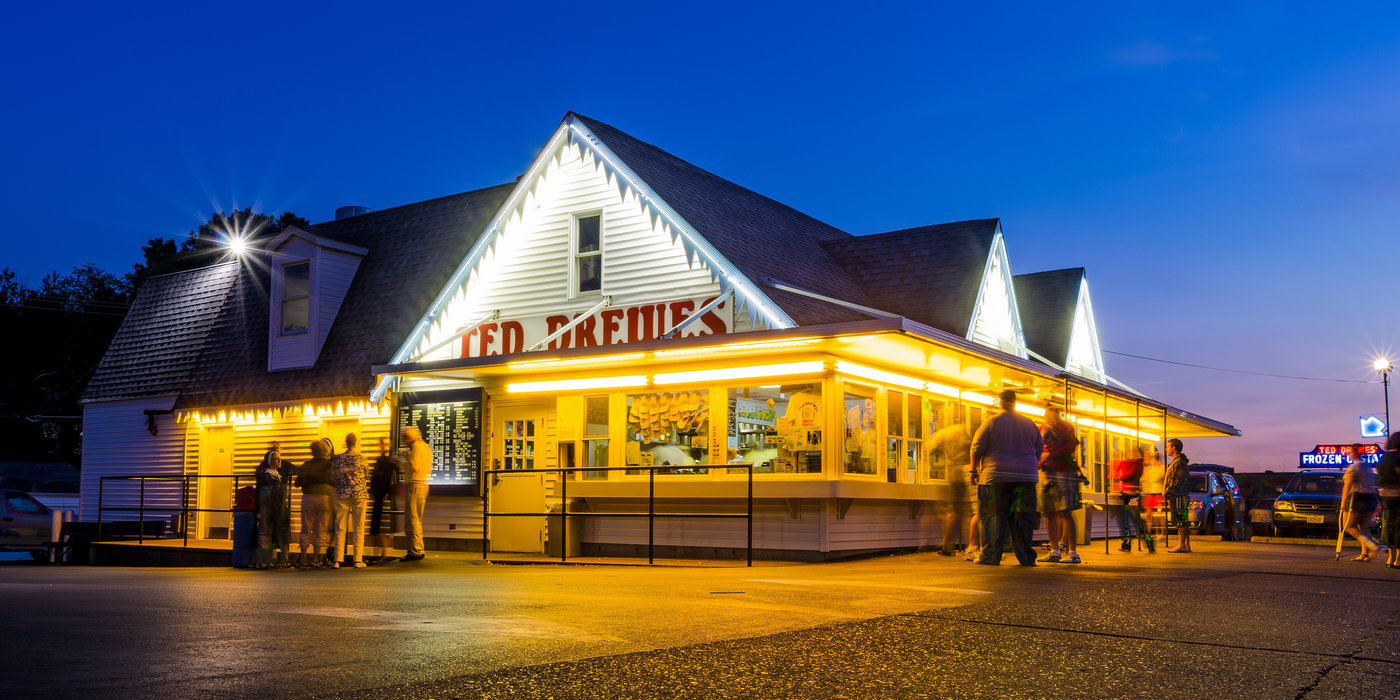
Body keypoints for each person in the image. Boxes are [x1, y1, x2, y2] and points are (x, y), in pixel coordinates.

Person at [970, 390, 1043, 566]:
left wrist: (973, 470)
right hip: (1025, 478)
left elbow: (976, 448)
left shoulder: (991, 422)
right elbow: (1039, 447)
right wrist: (1029, 465)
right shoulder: (1029, 423)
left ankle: (990, 556)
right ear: (1015, 402)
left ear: (1000, 402)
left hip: (995, 477)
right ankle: (1025, 557)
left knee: (993, 516)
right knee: (1023, 518)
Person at [1037, 406, 1083, 564]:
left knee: (1065, 511)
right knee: (1048, 512)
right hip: (1046, 472)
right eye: (1046, 414)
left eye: (1049, 414)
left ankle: (1073, 551)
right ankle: (1055, 549)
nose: (1047, 417)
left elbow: (1072, 446)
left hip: (1063, 472)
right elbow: (1036, 447)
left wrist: (1050, 454)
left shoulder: (1065, 428)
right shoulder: (1042, 429)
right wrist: (1040, 462)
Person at [929, 416, 978, 558]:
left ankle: (948, 546)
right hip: (967, 469)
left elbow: (931, 449)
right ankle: (972, 544)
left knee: (953, 510)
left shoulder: (943, 433)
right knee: (970, 510)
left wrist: (941, 459)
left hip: (954, 470)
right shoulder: (963, 431)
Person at [329, 433, 369, 568]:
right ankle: (357, 560)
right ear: (355, 442)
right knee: (359, 527)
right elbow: (367, 475)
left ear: (346, 443)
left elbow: (333, 476)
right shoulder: (362, 458)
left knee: (340, 527)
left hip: (341, 495)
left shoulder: (338, 459)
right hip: (359, 494)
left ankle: (337, 560)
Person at [296, 438, 336, 568]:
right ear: (324, 451)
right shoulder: (329, 465)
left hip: (308, 498)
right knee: (321, 529)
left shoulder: (306, 465)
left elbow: (297, 483)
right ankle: (316, 559)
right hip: (325, 498)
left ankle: (303, 558)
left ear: (312, 451)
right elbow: (334, 480)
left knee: (306, 528)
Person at [253, 442, 294, 568]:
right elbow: (261, 490)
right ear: (270, 460)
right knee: (265, 532)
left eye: (279, 459)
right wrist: (258, 509)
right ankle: (264, 560)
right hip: (268, 506)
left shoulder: (279, 476)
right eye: (275, 459)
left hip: (279, 506)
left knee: (281, 531)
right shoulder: (265, 474)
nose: (278, 461)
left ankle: (282, 559)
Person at [1341, 443, 1382, 562]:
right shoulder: (1367, 466)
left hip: (1358, 498)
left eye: (1350, 451)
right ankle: (1364, 554)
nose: (1349, 453)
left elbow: (1348, 485)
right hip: (1371, 498)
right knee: (1363, 527)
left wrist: (1343, 502)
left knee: (1348, 526)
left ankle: (1372, 545)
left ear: (1355, 453)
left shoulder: (1354, 467)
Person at [1110, 445, 1155, 553]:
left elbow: (1127, 475)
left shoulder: (1137, 464)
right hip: (1127, 492)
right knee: (1129, 520)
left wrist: (1121, 475)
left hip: (1130, 493)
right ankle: (1131, 543)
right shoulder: (1134, 463)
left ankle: (1144, 542)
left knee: (1132, 520)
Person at [368, 437, 401, 564]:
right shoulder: (381, 461)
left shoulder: (389, 461)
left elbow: (395, 478)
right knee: (376, 528)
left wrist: (391, 491)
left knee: (382, 528)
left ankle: (383, 554)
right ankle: (376, 554)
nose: (381, 447)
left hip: (384, 497)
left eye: (384, 444)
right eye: (380, 444)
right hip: (378, 497)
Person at [401, 425, 431, 562]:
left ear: (409, 437)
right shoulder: (424, 446)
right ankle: (419, 548)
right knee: (417, 518)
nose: (403, 441)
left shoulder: (416, 447)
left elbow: (414, 466)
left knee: (411, 519)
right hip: (424, 484)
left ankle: (415, 551)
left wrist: (402, 461)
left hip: (415, 484)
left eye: (404, 438)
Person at [1164, 438, 1191, 553]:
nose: (1165, 449)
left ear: (1174, 448)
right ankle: (1186, 544)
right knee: (1182, 520)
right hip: (1179, 495)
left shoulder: (1179, 463)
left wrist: (1168, 491)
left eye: (1167, 447)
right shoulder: (1178, 462)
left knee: (1180, 521)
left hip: (1178, 496)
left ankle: (1181, 545)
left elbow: (1178, 480)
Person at [1377, 433, 1400, 569]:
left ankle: (1390, 558)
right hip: (1398, 493)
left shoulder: (1383, 457)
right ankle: (1398, 559)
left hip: (1385, 494)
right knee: (1399, 525)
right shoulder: (1399, 457)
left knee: (1390, 523)